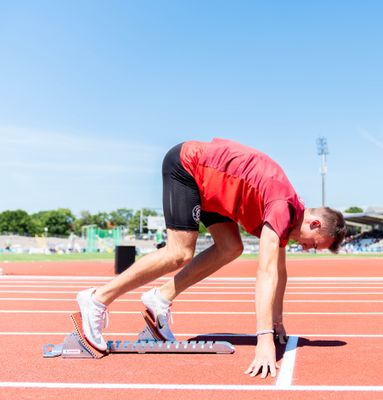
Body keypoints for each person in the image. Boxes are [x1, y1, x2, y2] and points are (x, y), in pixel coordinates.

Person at [76, 138, 346, 378]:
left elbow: (280, 272)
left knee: (230, 247)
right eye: (314, 245)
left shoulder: (291, 216)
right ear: (315, 225)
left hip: (214, 191)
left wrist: (277, 321)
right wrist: (263, 339)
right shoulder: (281, 206)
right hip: (189, 166)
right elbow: (265, 272)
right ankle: (97, 299)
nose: (308, 248)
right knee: (179, 252)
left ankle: (160, 298)